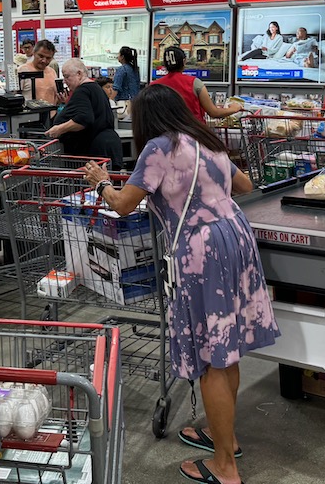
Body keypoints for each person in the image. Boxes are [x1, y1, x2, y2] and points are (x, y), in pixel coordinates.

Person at [81, 86, 276, 484]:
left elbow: (123, 204)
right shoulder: (206, 140)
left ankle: (225, 466)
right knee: (227, 348)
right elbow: (245, 185)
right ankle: (225, 437)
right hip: (236, 237)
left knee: (211, 356)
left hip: (202, 251)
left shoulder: (158, 149)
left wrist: (101, 182)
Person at [45, 58, 124, 167]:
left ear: (79, 74)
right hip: (109, 145)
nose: (64, 81)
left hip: (95, 151)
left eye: (67, 77)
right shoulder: (95, 88)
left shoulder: (82, 90)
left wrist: (59, 129)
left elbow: (84, 119)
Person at [153, 46, 243, 122]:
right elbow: (214, 112)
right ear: (184, 61)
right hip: (192, 132)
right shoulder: (194, 83)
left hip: (163, 133)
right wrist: (234, 108)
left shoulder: (154, 86)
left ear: (165, 63)